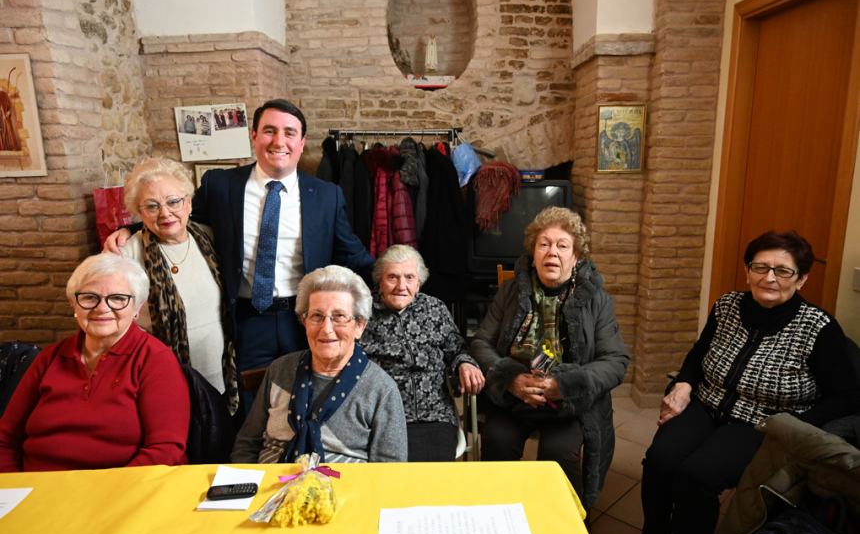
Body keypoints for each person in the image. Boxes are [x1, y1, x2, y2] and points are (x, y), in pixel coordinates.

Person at [105, 99, 374, 413]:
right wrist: (134, 227)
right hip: (245, 319)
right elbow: (179, 213)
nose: (279, 141)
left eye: (289, 133)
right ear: (254, 137)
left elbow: (353, 253)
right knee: (249, 408)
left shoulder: (326, 195)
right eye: (269, 131)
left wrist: (395, 279)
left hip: (304, 319)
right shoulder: (222, 185)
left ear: (301, 144)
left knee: (307, 400)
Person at [615, 230, 860, 534]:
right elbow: (698, 355)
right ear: (747, 272)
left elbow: (847, 397)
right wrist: (684, 384)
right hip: (707, 402)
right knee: (660, 459)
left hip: (762, 420)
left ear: (801, 279)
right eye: (760, 267)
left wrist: (794, 427)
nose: (769, 277)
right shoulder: (728, 305)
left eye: (783, 270)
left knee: (696, 476)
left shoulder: (819, 328)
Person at [470, 206, 629, 510]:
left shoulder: (596, 299)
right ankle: (500, 516)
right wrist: (510, 378)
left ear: (576, 256)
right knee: (497, 441)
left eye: (562, 245)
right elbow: (481, 343)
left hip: (569, 404)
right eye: (544, 244)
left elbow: (615, 360)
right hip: (515, 397)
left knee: (559, 452)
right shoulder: (511, 292)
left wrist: (567, 385)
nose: (552, 253)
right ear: (533, 253)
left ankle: (562, 526)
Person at [0, 253, 190, 471]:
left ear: (137, 308)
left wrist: (107, 493)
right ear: (74, 304)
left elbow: (165, 448)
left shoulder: (154, 359)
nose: (102, 308)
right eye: (90, 297)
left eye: (118, 298)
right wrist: (12, 487)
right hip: (39, 489)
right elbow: (5, 438)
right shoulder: (49, 358)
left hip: (121, 490)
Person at [231, 265, 407, 463]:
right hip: (271, 487)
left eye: (339, 317)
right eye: (316, 316)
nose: (326, 329)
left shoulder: (381, 389)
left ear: (359, 326)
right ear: (304, 321)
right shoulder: (280, 370)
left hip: (345, 490)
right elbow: (247, 444)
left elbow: (390, 470)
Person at [117, 156, 237, 413]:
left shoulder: (208, 237)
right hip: (162, 376)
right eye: (152, 206)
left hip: (220, 371)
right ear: (139, 212)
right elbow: (118, 323)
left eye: (173, 202)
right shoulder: (127, 254)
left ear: (189, 203)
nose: (165, 213)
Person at [360, 245, 485, 461]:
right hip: (380, 414)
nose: (401, 286)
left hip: (433, 414)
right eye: (392, 277)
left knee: (429, 475)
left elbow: (456, 347)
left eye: (409, 277)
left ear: (419, 283)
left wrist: (466, 363)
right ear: (379, 281)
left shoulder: (434, 308)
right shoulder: (363, 313)